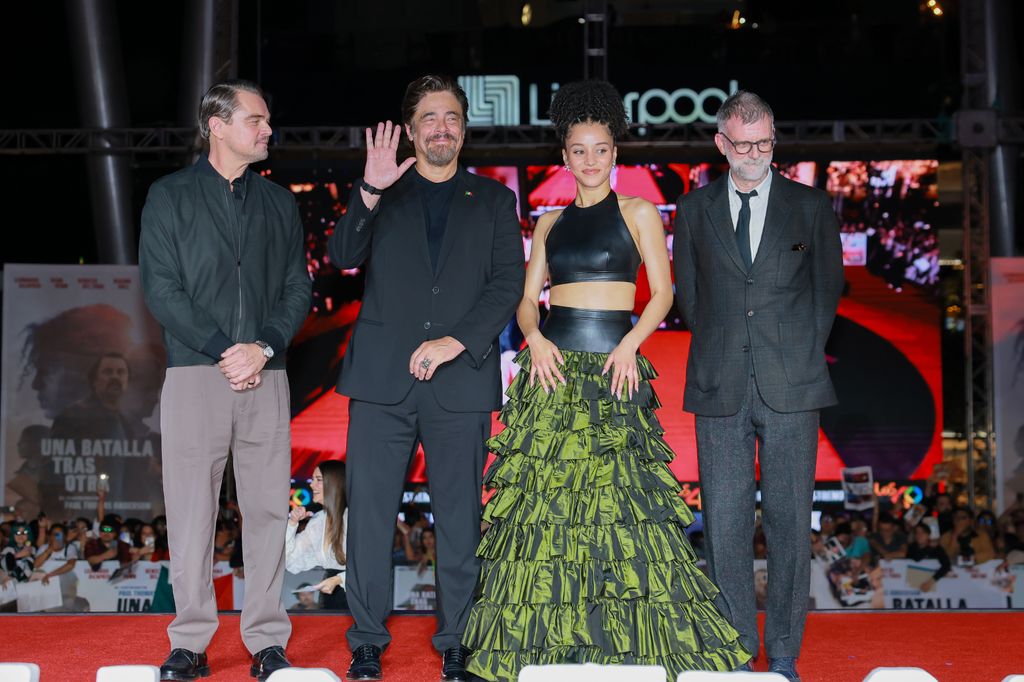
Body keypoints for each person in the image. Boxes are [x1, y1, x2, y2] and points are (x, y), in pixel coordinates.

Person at [463, 79, 750, 682]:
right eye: (578, 150)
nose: (589, 160)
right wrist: (534, 339)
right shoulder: (546, 223)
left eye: (600, 149)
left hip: (616, 370)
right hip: (551, 374)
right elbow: (523, 302)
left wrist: (630, 345)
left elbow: (664, 293)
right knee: (549, 514)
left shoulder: (638, 212)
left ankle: (628, 640)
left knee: (625, 511)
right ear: (562, 157)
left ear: (615, 154)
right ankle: (545, 645)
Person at [328, 74, 523, 682]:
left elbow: (506, 286)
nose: (442, 128)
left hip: (459, 381)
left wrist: (456, 340)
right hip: (382, 383)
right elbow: (341, 257)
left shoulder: (493, 201)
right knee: (370, 519)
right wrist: (367, 189)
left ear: (464, 129)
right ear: (410, 131)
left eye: (452, 118)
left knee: (461, 519)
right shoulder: (383, 191)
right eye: (430, 119)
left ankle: (458, 643)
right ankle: (366, 642)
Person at [139, 79, 311, 682]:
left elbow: (298, 290)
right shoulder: (169, 196)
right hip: (195, 372)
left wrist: (261, 347)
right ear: (217, 124)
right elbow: (162, 290)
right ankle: (189, 642)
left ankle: (267, 640)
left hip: (268, 373)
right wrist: (223, 350)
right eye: (256, 120)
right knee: (190, 513)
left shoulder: (280, 204)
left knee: (268, 510)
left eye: (266, 122)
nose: (268, 131)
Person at [673, 90, 844, 681]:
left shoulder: (812, 206)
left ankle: (787, 654)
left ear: (775, 141)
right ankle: (738, 653)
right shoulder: (694, 210)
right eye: (742, 144)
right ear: (721, 144)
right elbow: (691, 296)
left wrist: (797, 349)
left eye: (764, 144)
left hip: (794, 382)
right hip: (719, 381)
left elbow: (827, 291)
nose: (754, 154)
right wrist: (726, 345)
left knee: (791, 521)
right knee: (723, 524)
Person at [285, 460, 348, 610]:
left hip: (357, 595)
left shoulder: (356, 518)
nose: (312, 485)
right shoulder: (317, 521)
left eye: (318, 480)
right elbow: (291, 563)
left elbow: (371, 565)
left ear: (334, 483)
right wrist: (292, 524)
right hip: (328, 597)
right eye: (312, 480)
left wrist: (339, 579)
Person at [906, 522, 951, 592]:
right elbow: (916, 558)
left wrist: (930, 582)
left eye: (922, 532)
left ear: (928, 535)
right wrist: (929, 547)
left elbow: (947, 565)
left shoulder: (937, 548)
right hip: (912, 586)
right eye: (917, 532)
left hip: (934, 586)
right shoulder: (912, 547)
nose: (919, 535)